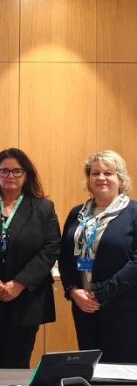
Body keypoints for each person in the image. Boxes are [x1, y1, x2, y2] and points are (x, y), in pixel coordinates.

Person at [0, 148, 59, 368]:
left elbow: (51, 249)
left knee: (18, 360)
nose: (10, 176)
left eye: (17, 171)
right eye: (4, 171)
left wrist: (18, 284)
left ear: (26, 175)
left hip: (26, 297)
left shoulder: (43, 207)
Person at [58, 150, 137, 363]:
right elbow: (64, 256)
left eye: (108, 173)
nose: (101, 178)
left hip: (123, 307)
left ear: (120, 178)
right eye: (95, 173)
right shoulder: (77, 213)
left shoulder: (134, 212)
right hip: (84, 306)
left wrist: (101, 293)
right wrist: (73, 291)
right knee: (90, 366)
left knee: (121, 370)